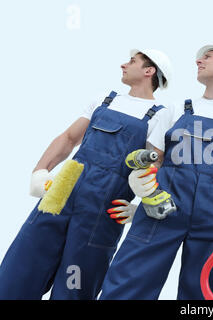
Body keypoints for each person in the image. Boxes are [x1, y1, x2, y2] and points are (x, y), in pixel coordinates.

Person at [0, 48, 173, 300]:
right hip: (61, 191)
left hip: (103, 207)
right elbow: (69, 138)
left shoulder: (160, 114)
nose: (123, 65)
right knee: (19, 271)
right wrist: (40, 170)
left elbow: (154, 167)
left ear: (149, 71)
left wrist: (140, 206)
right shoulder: (106, 99)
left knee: (75, 286)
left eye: (132, 62)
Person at [100, 44, 213, 300]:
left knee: (204, 289)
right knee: (132, 276)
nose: (199, 61)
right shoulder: (175, 110)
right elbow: (153, 161)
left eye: (207, 57)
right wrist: (143, 197)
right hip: (165, 206)